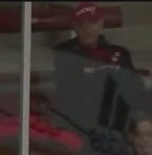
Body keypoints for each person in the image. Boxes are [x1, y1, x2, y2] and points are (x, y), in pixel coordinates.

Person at [52, 3, 141, 142]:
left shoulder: (120, 53)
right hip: (82, 126)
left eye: (92, 22)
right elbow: (70, 93)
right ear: (75, 27)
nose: (87, 28)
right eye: (81, 24)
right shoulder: (65, 53)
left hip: (116, 126)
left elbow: (134, 90)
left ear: (101, 23)